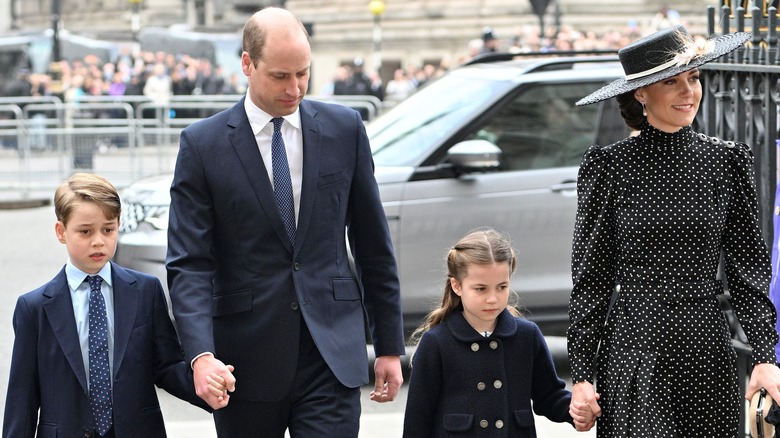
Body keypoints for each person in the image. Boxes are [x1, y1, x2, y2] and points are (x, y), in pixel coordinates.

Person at [165, 7, 405, 437]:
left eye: (303, 73)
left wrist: (388, 345)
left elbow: (372, 244)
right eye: (279, 76)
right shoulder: (203, 146)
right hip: (243, 362)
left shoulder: (344, 128)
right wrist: (201, 356)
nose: (294, 88)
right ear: (246, 64)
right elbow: (189, 264)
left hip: (330, 353)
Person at [569, 25, 780, 436]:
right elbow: (590, 278)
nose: (689, 92)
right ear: (641, 93)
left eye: (694, 77)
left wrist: (764, 356)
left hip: (706, 350)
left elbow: (748, 271)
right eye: (672, 81)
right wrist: (580, 375)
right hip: (635, 350)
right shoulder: (607, 167)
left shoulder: (728, 162)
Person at [2, 173, 226, 438]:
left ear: (119, 224)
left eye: (108, 229)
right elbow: (22, 400)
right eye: (85, 231)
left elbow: (166, 366)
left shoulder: (145, 291)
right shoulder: (34, 308)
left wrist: (208, 386)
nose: (98, 241)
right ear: (61, 231)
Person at [402, 228, 595, 437]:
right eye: (481, 289)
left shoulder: (526, 336)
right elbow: (417, 418)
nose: (493, 298)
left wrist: (575, 411)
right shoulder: (436, 342)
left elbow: (549, 396)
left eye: (501, 287)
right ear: (457, 286)